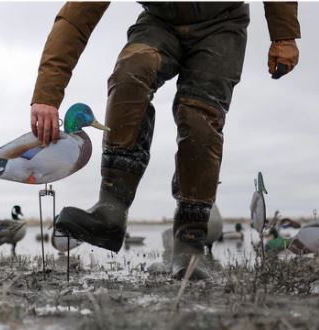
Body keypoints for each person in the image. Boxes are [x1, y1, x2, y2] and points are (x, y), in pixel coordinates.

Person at [30, 2, 300, 279]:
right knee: (129, 76)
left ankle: (190, 240)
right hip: (160, 21)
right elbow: (76, 18)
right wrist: (46, 95)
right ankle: (110, 209)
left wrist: (284, 34)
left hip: (222, 24)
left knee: (199, 118)